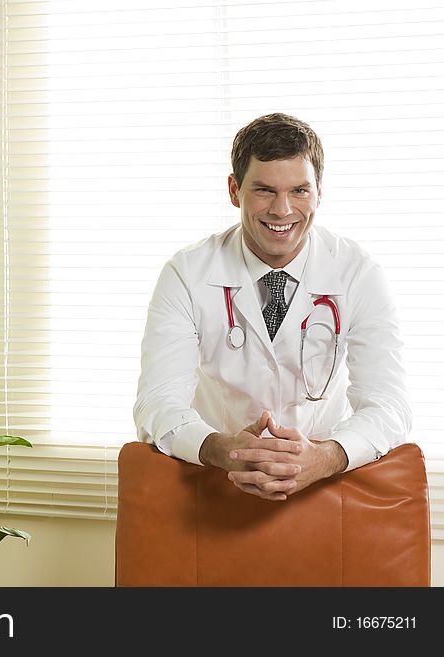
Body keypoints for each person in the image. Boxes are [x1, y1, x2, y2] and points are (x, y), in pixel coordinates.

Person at [133, 113, 411, 501]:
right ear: (234, 190)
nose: (282, 210)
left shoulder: (357, 273)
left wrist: (326, 457)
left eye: (299, 190)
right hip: (213, 486)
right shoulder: (187, 273)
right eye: (264, 190)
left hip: (323, 490)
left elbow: (389, 405)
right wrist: (219, 448)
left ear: (319, 192)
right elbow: (156, 401)